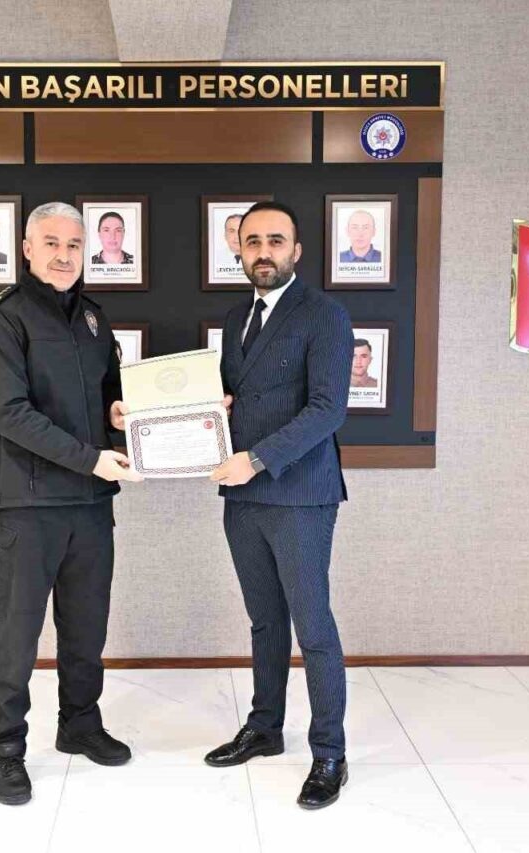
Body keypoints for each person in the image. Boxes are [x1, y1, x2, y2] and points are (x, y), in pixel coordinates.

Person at [0, 201, 142, 806]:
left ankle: (80, 724)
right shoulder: (2, 320)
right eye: (51, 244)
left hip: (90, 503)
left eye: (73, 245)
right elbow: (9, 414)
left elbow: (107, 397)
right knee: (17, 635)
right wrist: (92, 458)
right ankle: (6, 749)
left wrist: (118, 416)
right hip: (27, 504)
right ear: (26, 249)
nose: (64, 255)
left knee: (86, 627)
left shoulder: (93, 318)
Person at [205, 201, 354, 810]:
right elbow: (233, 398)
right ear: (238, 250)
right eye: (252, 241)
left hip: (299, 493)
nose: (262, 251)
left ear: (296, 250)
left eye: (275, 240)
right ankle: (265, 728)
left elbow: (328, 409)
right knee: (265, 621)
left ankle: (330, 754)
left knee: (312, 627)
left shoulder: (324, 314)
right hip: (242, 494)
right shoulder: (236, 317)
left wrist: (259, 458)